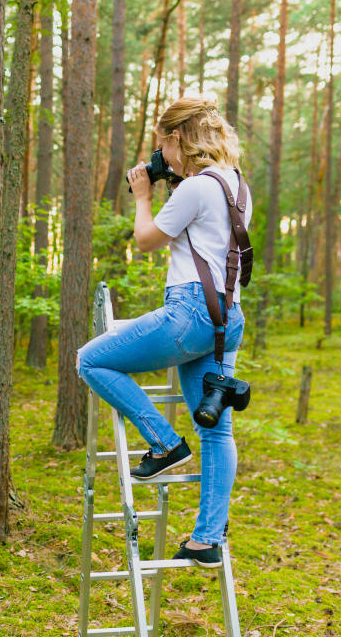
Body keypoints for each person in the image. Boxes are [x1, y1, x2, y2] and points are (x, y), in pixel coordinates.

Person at [76, 97, 250, 568]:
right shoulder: (235, 184)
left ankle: (164, 442)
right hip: (226, 318)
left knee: (90, 360)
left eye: (163, 145)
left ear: (178, 138)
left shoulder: (193, 188)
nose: (161, 156)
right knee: (217, 431)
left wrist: (144, 197)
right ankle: (207, 539)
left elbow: (148, 238)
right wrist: (172, 180)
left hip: (190, 312)